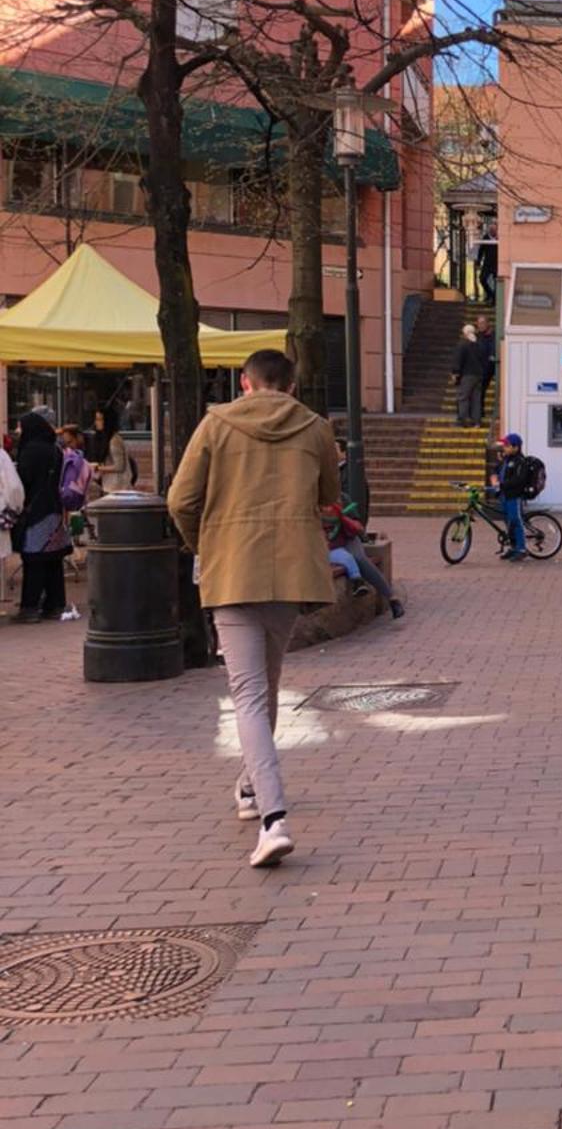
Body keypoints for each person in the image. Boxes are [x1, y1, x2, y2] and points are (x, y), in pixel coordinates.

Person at [167, 347, 340, 870]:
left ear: (245, 383)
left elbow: (180, 500)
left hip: (234, 570)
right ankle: (248, 788)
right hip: (289, 571)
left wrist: (206, 544)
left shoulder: (215, 425)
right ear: (290, 385)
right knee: (264, 684)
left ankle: (273, 818)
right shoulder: (315, 430)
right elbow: (329, 496)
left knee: (247, 694)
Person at [323, 463, 404, 620]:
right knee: (346, 559)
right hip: (327, 544)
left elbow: (356, 523)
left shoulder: (342, 498)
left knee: (359, 558)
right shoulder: (310, 502)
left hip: (346, 537)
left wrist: (341, 517)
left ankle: (392, 598)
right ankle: (358, 583)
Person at [11, 411, 69, 622]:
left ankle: (30, 607)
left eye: (20, 427)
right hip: (53, 509)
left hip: (35, 512)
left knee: (33, 559)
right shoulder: (55, 450)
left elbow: (22, 481)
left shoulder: (30, 451)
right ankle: (54, 605)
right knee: (53, 559)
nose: (18, 431)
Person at [487, 430, 530, 561]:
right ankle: (513, 547)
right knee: (508, 522)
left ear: (516, 447)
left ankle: (522, 549)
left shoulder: (520, 461)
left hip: (514, 496)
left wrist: (502, 484)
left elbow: (520, 480)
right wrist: (494, 478)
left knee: (516, 521)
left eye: (507, 445)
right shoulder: (506, 459)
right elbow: (496, 470)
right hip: (504, 496)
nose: (504, 448)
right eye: (504, 445)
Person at [85, 408, 132, 494]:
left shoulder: (114, 440)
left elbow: (119, 466)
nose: (96, 423)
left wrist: (98, 468)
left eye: (100, 419)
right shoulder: (104, 439)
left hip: (118, 486)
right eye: (96, 419)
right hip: (109, 484)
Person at [452, 322, 488, 427]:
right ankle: (477, 421)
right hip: (479, 375)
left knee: (463, 398)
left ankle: (462, 420)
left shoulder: (462, 345)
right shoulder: (479, 345)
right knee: (476, 399)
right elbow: (484, 360)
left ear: (465, 333)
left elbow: (458, 361)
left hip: (467, 375)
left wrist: (455, 373)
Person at [475, 317, 497, 424]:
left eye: (483, 323)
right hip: (480, 368)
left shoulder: (492, 335)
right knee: (480, 391)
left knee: (481, 390)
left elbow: (493, 349)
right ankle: (480, 412)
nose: (481, 325)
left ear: (488, 323)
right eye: (479, 323)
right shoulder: (477, 336)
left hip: (490, 367)